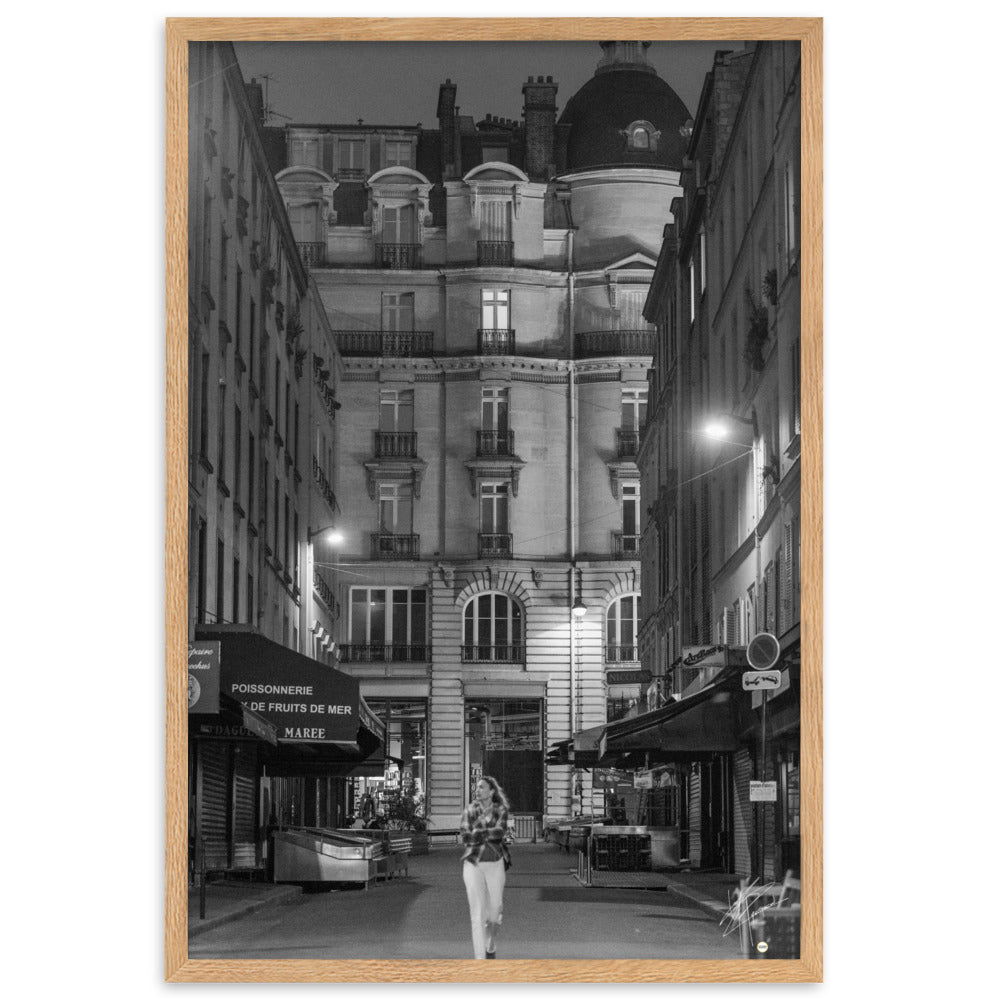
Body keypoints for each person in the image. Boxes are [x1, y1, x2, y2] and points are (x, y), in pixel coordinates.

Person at [459, 776, 515, 960]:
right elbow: (466, 837)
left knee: (495, 913)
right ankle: (480, 961)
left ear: (491, 791)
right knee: (477, 914)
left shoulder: (501, 810)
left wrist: (478, 832)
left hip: (495, 863)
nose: (478, 789)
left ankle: (490, 944)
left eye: (482, 787)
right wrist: (484, 833)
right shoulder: (469, 810)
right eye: (477, 787)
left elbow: (500, 832)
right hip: (473, 863)